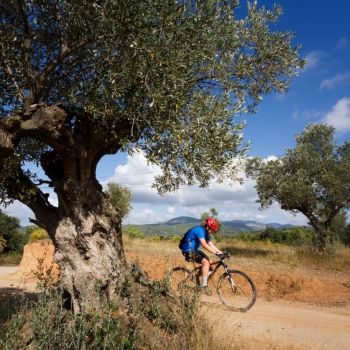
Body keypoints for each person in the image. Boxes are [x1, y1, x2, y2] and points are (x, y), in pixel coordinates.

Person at [180, 217, 223, 296]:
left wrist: (220, 252)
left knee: (210, 264)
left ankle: (196, 278)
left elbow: (210, 243)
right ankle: (204, 285)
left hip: (195, 250)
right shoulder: (199, 230)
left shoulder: (205, 233)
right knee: (206, 263)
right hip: (188, 250)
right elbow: (204, 244)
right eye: (211, 230)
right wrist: (215, 253)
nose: (212, 232)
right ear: (207, 227)